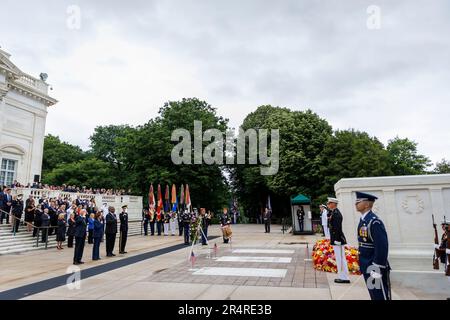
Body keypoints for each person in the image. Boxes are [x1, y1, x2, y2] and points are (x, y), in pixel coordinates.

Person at [355, 191, 391, 300]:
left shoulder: (374, 222)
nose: (355, 204)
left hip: (373, 264)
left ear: (366, 204)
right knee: (373, 293)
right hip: (366, 262)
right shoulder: (364, 220)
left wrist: (377, 266)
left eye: (358, 201)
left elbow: (382, 246)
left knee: (379, 294)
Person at [327, 197, 350, 284]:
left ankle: (344, 277)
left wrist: (337, 239)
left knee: (340, 258)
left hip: (338, 239)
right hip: (336, 238)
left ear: (334, 204)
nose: (328, 205)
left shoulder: (336, 214)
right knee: (340, 258)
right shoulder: (333, 212)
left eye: (329, 203)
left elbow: (337, 228)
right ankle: (342, 276)